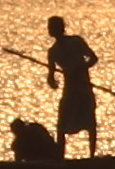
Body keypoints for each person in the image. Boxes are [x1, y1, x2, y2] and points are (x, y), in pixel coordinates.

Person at [43, 16, 101, 157]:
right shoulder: (53, 52)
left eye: (53, 27)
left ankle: (92, 156)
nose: (50, 30)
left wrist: (80, 68)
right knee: (61, 126)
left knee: (90, 124)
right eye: (50, 27)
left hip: (83, 88)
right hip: (69, 91)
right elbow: (51, 75)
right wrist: (52, 82)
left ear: (61, 28)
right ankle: (60, 158)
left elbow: (93, 58)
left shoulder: (76, 42)